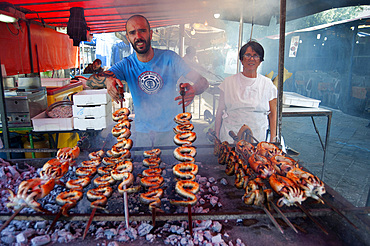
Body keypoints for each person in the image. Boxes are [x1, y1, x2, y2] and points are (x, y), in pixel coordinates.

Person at [86, 15, 209, 146]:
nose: (138, 36)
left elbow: (203, 81)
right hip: (142, 133)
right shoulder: (127, 64)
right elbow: (90, 81)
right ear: (128, 38)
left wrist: (194, 89)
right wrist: (107, 81)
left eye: (142, 31)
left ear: (150, 34)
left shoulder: (170, 58)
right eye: (132, 33)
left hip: (171, 131)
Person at [215, 41, 277, 144]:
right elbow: (219, 111)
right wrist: (217, 136)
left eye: (256, 56)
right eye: (247, 55)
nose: (251, 59)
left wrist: (273, 140)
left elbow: (273, 114)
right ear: (241, 59)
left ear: (260, 60)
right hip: (230, 138)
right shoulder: (228, 82)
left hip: (258, 139)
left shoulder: (267, 84)